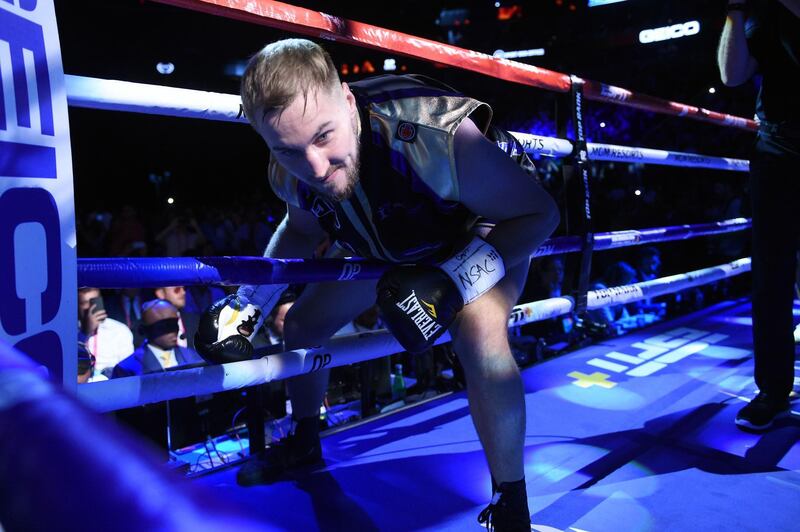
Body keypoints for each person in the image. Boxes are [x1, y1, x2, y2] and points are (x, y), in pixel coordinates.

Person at [196, 39, 559, 529]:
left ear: (348, 102)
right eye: (288, 149)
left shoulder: (431, 133)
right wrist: (249, 303)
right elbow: (302, 229)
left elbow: (539, 213)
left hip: (483, 223)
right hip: (390, 240)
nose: (315, 167)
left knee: (477, 327)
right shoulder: (290, 165)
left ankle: (511, 503)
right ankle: (305, 439)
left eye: (324, 136)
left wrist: (451, 282)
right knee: (302, 325)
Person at [718, 0, 800, 430]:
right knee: (771, 278)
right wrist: (734, 10)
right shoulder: (763, 12)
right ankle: (772, 390)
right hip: (778, 150)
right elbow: (731, 75)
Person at [112, 300, 205, 378]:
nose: (172, 331)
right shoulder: (127, 368)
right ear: (145, 329)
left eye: (174, 324)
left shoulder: (195, 357)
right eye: (164, 326)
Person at [78, 287, 134, 378]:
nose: (91, 308)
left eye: (94, 301)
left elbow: (127, 369)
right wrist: (85, 333)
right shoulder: (70, 331)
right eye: (85, 303)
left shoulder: (120, 330)